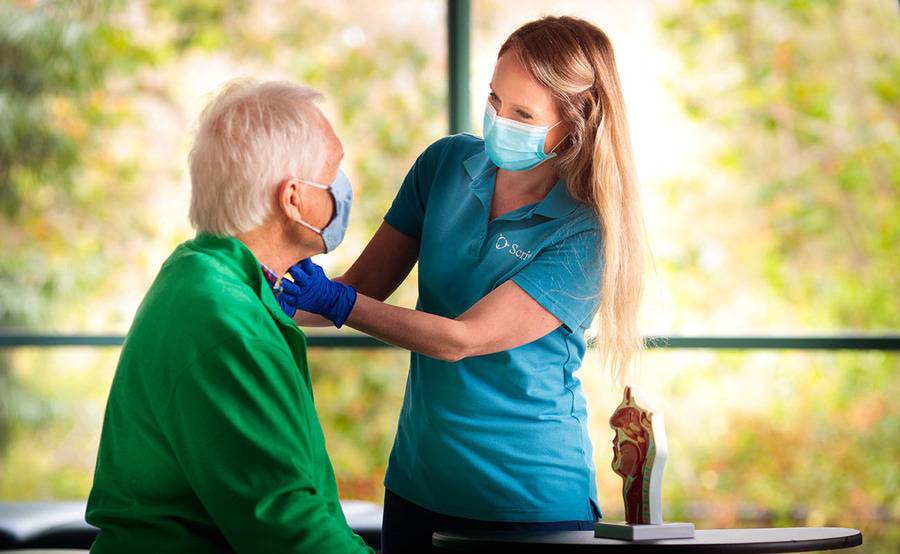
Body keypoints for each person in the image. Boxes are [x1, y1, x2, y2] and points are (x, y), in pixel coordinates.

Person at [279, 15, 647, 553]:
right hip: (417, 483)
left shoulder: (585, 229)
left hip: (525, 501)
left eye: (522, 113)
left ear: (576, 123)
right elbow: (363, 285)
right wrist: (260, 291)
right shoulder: (445, 165)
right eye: (495, 99)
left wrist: (336, 302)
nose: (499, 120)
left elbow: (463, 339)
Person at [85, 80, 372, 554]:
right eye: (335, 170)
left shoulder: (202, 275)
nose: (343, 187)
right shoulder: (224, 324)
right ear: (293, 197)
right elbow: (286, 529)